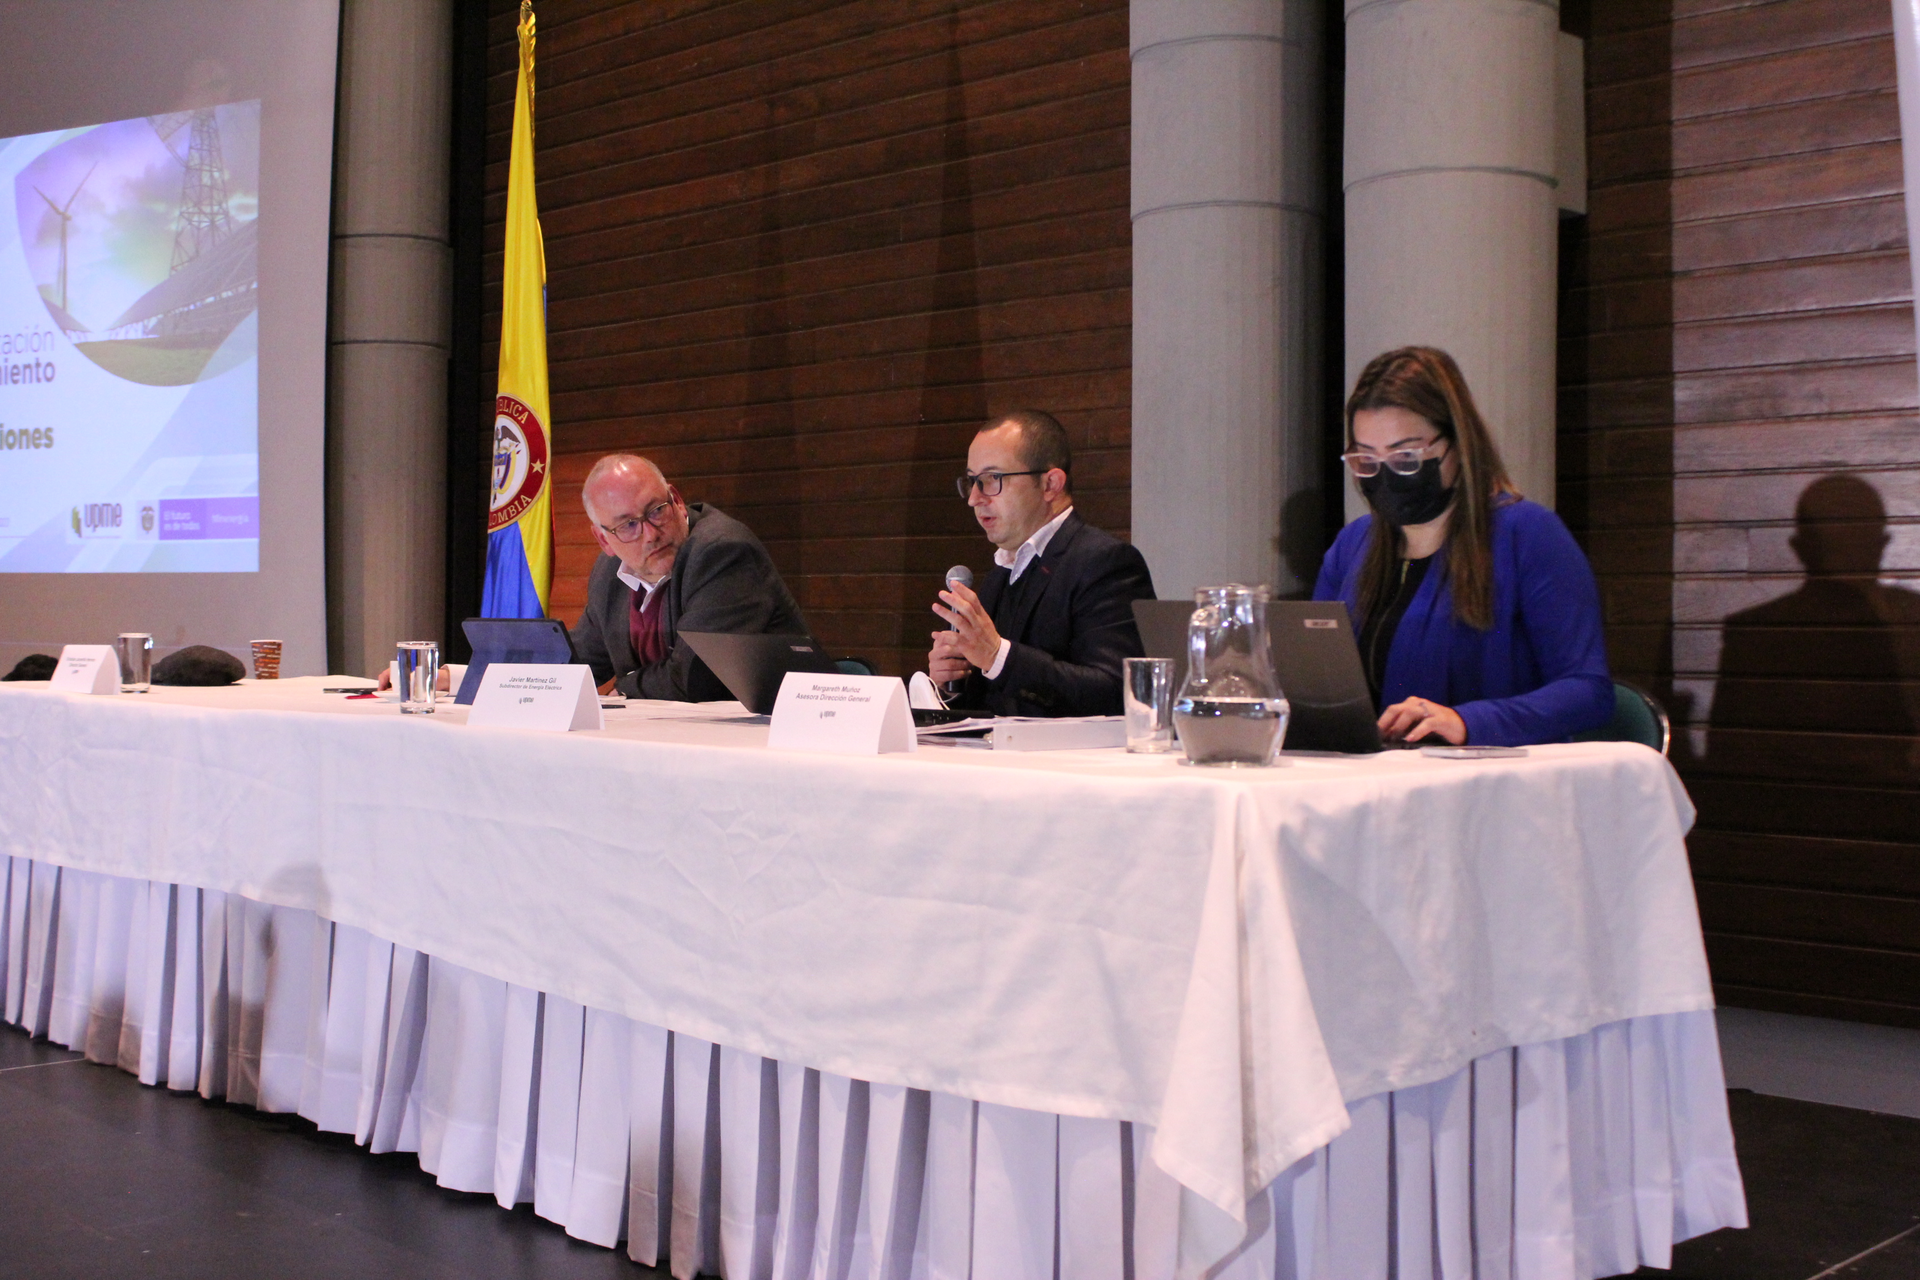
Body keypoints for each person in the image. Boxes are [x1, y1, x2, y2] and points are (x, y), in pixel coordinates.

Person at [1314, 347, 1611, 746]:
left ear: (1457, 442)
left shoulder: (1527, 534)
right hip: (1378, 773)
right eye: (1366, 460)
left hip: (1487, 775)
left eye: (1406, 457)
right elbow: (1318, 683)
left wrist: (1466, 721)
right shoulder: (1353, 546)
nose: (1385, 476)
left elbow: (1588, 691)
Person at [929, 409, 1155, 716]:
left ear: (1050, 484)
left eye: (992, 479)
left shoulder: (1106, 563)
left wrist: (997, 656)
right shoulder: (999, 576)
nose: (974, 499)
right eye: (972, 481)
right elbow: (996, 702)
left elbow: (1119, 692)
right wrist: (952, 685)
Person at [571, 454, 806, 700]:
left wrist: (623, 689)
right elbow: (581, 659)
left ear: (677, 501)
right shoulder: (610, 573)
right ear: (604, 540)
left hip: (777, 719)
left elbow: (696, 676)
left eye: (656, 511)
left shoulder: (722, 552)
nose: (650, 534)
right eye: (628, 525)